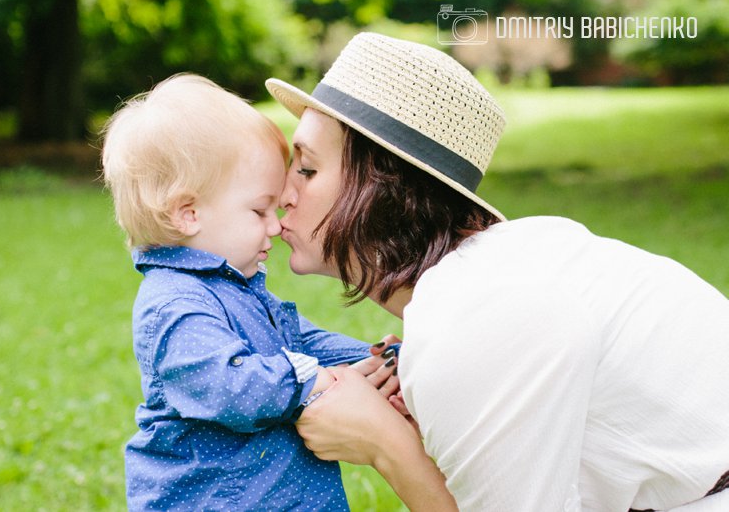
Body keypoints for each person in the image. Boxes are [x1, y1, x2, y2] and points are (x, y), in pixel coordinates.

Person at [265, 32, 729, 511]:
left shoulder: (474, 322)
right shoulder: (501, 274)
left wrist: (385, 444)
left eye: (308, 170)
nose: (282, 196)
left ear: (383, 191)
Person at [100, 73, 399, 511]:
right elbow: (230, 387)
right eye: (259, 210)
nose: (276, 227)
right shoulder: (174, 304)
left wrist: (372, 360)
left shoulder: (232, 287)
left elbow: (302, 341)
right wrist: (318, 381)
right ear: (188, 214)